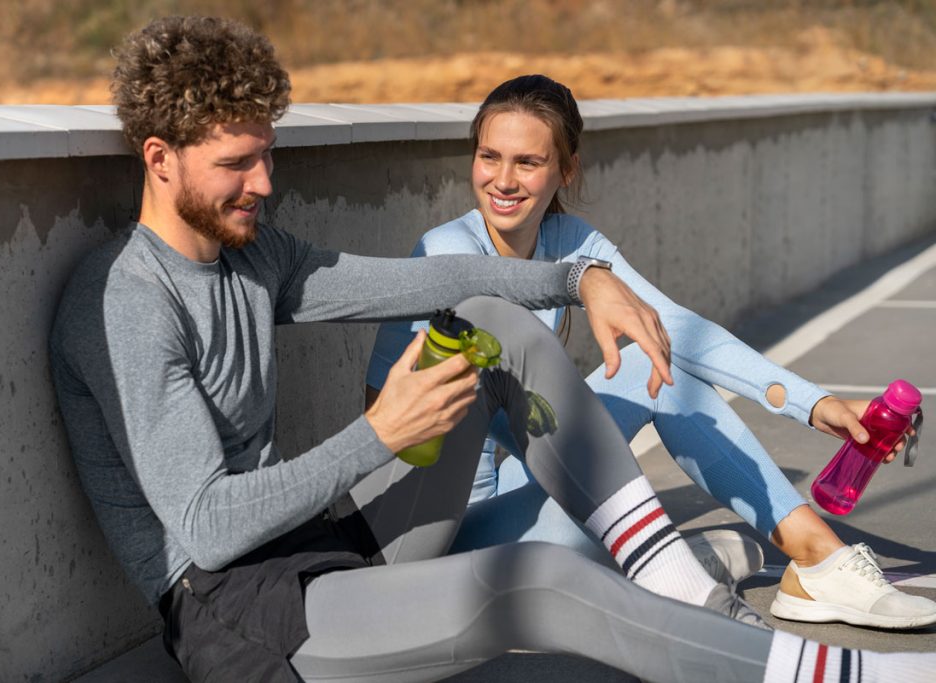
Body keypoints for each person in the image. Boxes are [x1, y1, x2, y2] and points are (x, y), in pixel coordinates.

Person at [49, 16, 934, 683]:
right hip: (240, 613)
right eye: (239, 162)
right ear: (159, 158)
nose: (267, 183)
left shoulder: (256, 256)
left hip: (314, 545)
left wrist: (574, 280)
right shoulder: (123, 299)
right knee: (543, 582)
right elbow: (206, 527)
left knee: (494, 324)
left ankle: (682, 586)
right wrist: (379, 434)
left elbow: (420, 284)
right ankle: (858, 676)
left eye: (267, 155)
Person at [365, 73, 936, 631]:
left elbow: (677, 330)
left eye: (528, 162)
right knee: (606, 476)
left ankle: (813, 557)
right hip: (441, 540)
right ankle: (680, 565)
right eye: (489, 156)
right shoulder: (444, 252)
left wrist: (819, 406)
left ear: (565, 170)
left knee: (657, 365)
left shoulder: (569, 242)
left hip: (517, 502)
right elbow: (419, 445)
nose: (503, 180)